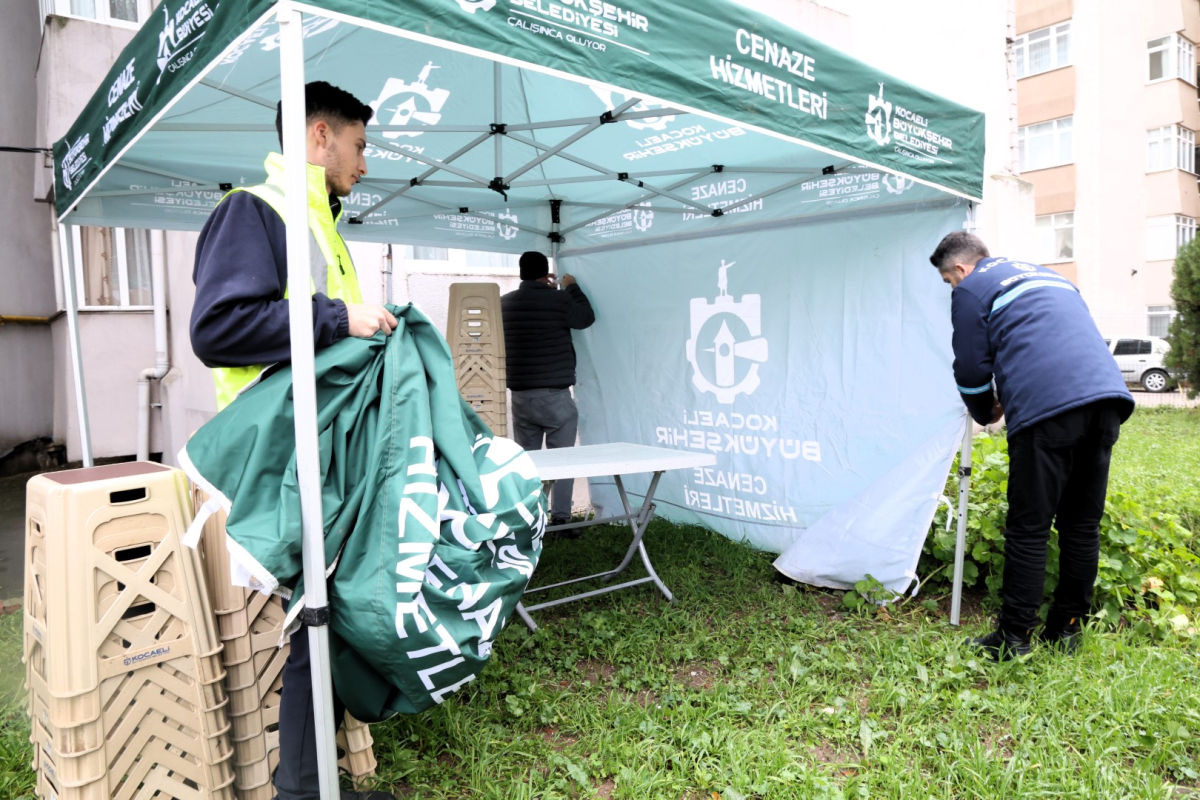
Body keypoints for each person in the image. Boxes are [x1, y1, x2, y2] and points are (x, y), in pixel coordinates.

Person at [190, 81, 397, 800]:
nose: (365, 163)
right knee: (313, 618)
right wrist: (342, 319)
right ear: (319, 137)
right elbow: (217, 331)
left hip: (320, 447)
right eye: (360, 145)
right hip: (278, 452)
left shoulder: (320, 222)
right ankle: (304, 790)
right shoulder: (254, 211)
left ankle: (312, 782)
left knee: (325, 616)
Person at [929, 232, 1134, 661]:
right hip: (1108, 399)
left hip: (1049, 408)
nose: (953, 288)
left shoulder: (972, 288)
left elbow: (969, 366)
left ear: (961, 270)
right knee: (1081, 525)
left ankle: (1014, 637)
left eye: (949, 281)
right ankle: (1067, 629)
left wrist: (985, 411)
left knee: (1029, 527)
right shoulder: (1050, 277)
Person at [501, 251, 596, 527]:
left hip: (519, 396)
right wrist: (571, 287)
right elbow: (585, 318)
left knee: (527, 462)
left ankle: (528, 518)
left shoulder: (504, 304)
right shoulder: (559, 299)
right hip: (554, 395)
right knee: (562, 459)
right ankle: (561, 520)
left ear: (520, 273)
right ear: (546, 273)